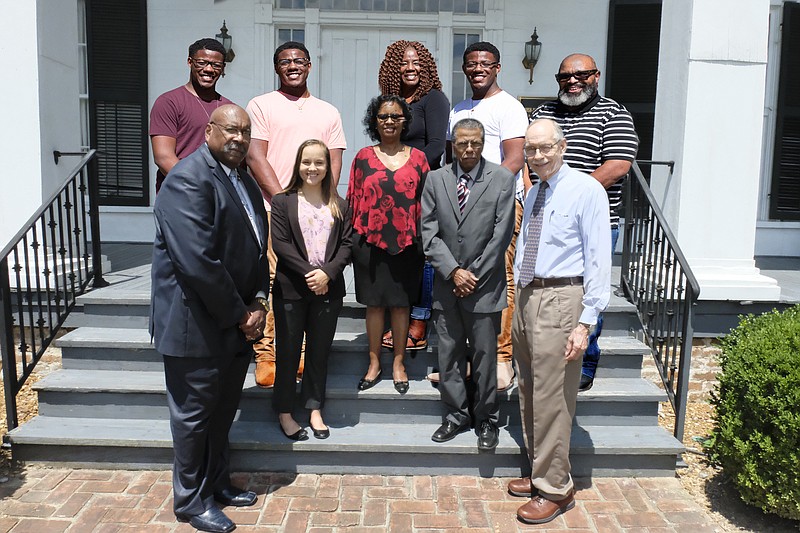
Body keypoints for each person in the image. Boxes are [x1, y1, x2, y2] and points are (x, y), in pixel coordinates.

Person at [150, 104, 267, 533]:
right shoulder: (187, 179)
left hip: (235, 321)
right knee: (193, 419)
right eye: (230, 130)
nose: (238, 138)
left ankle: (216, 483)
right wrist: (241, 314)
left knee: (221, 413)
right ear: (208, 131)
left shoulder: (243, 180)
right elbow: (197, 262)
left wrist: (259, 300)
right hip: (194, 325)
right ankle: (191, 501)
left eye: (245, 132)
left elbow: (258, 247)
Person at [509, 119, 610, 525]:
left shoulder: (587, 190)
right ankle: (540, 470)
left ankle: (555, 487)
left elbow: (598, 258)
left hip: (562, 298)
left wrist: (585, 323)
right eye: (531, 150)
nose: (538, 156)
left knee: (553, 395)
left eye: (545, 147)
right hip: (528, 296)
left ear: (562, 146)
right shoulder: (535, 192)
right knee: (529, 389)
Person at [530, 53, 638, 391]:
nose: (572, 81)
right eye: (564, 76)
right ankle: (547, 353)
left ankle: (585, 361)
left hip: (594, 221)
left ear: (596, 75)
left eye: (581, 74)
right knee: (546, 288)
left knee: (589, 290)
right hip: (543, 219)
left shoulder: (613, 113)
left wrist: (570, 196)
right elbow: (529, 156)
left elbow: (618, 164)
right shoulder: (544, 113)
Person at [246, 41, 347, 389]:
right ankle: (267, 354)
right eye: (285, 61)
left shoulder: (328, 112)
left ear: (309, 66)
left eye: (299, 60)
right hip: (274, 210)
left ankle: (301, 351)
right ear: (277, 67)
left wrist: (326, 203)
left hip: (318, 214)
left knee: (311, 276)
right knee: (275, 280)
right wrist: (286, 204)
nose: (292, 66)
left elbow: (334, 160)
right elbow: (255, 157)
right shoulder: (261, 105)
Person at [438, 41, 528, 392]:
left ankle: (501, 358)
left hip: (498, 205)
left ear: (497, 67)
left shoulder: (510, 107)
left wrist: (482, 194)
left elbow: (515, 159)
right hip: (459, 208)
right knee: (459, 275)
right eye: (472, 63)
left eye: (485, 63)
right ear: (464, 68)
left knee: (498, 277)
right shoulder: (459, 109)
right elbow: (451, 160)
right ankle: (463, 358)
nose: (478, 69)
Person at [421, 118, 514, 450]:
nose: (469, 149)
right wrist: (453, 272)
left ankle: (486, 419)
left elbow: (501, 235)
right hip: (447, 287)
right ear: (453, 144)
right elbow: (429, 233)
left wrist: (472, 275)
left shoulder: (502, 179)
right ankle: (456, 415)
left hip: (485, 288)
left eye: (476, 142)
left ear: (484, 143)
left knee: (486, 357)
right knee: (449, 356)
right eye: (462, 143)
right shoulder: (435, 179)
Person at [270, 140, 353, 441]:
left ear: (328, 167)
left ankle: (314, 408)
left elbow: (347, 245)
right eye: (306, 162)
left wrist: (327, 273)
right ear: (298, 165)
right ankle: (284, 411)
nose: (312, 168)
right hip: (291, 289)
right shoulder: (282, 202)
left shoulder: (340, 205)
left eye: (319, 162)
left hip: (328, 291)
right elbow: (281, 244)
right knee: (288, 352)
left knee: (319, 352)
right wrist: (311, 274)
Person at [347, 95, 429, 395]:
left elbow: (426, 203)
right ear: (375, 122)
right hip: (369, 243)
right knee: (374, 305)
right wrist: (350, 243)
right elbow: (353, 200)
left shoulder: (419, 159)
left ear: (405, 121)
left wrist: (425, 241)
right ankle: (373, 363)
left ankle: (398, 363)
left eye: (396, 116)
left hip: (408, 243)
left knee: (401, 305)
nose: (390, 121)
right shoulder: (363, 157)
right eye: (383, 116)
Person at [378, 40, 450, 354]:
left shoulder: (434, 99)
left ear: (427, 66)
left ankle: (419, 320)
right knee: (398, 254)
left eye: (417, 62)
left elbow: (436, 147)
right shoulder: (390, 102)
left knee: (424, 255)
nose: (411, 68)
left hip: (424, 187)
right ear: (393, 68)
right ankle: (397, 316)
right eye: (404, 63)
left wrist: (403, 170)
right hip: (392, 190)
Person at [150, 38, 233, 193]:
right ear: (190, 62)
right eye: (201, 63)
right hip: (179, 194)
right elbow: (163, 157)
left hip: (219, 197)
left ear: (223, 68)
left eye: (216, 65)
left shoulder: (229, 109)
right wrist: (199, 189)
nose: (209, 69)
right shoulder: (169, 102)